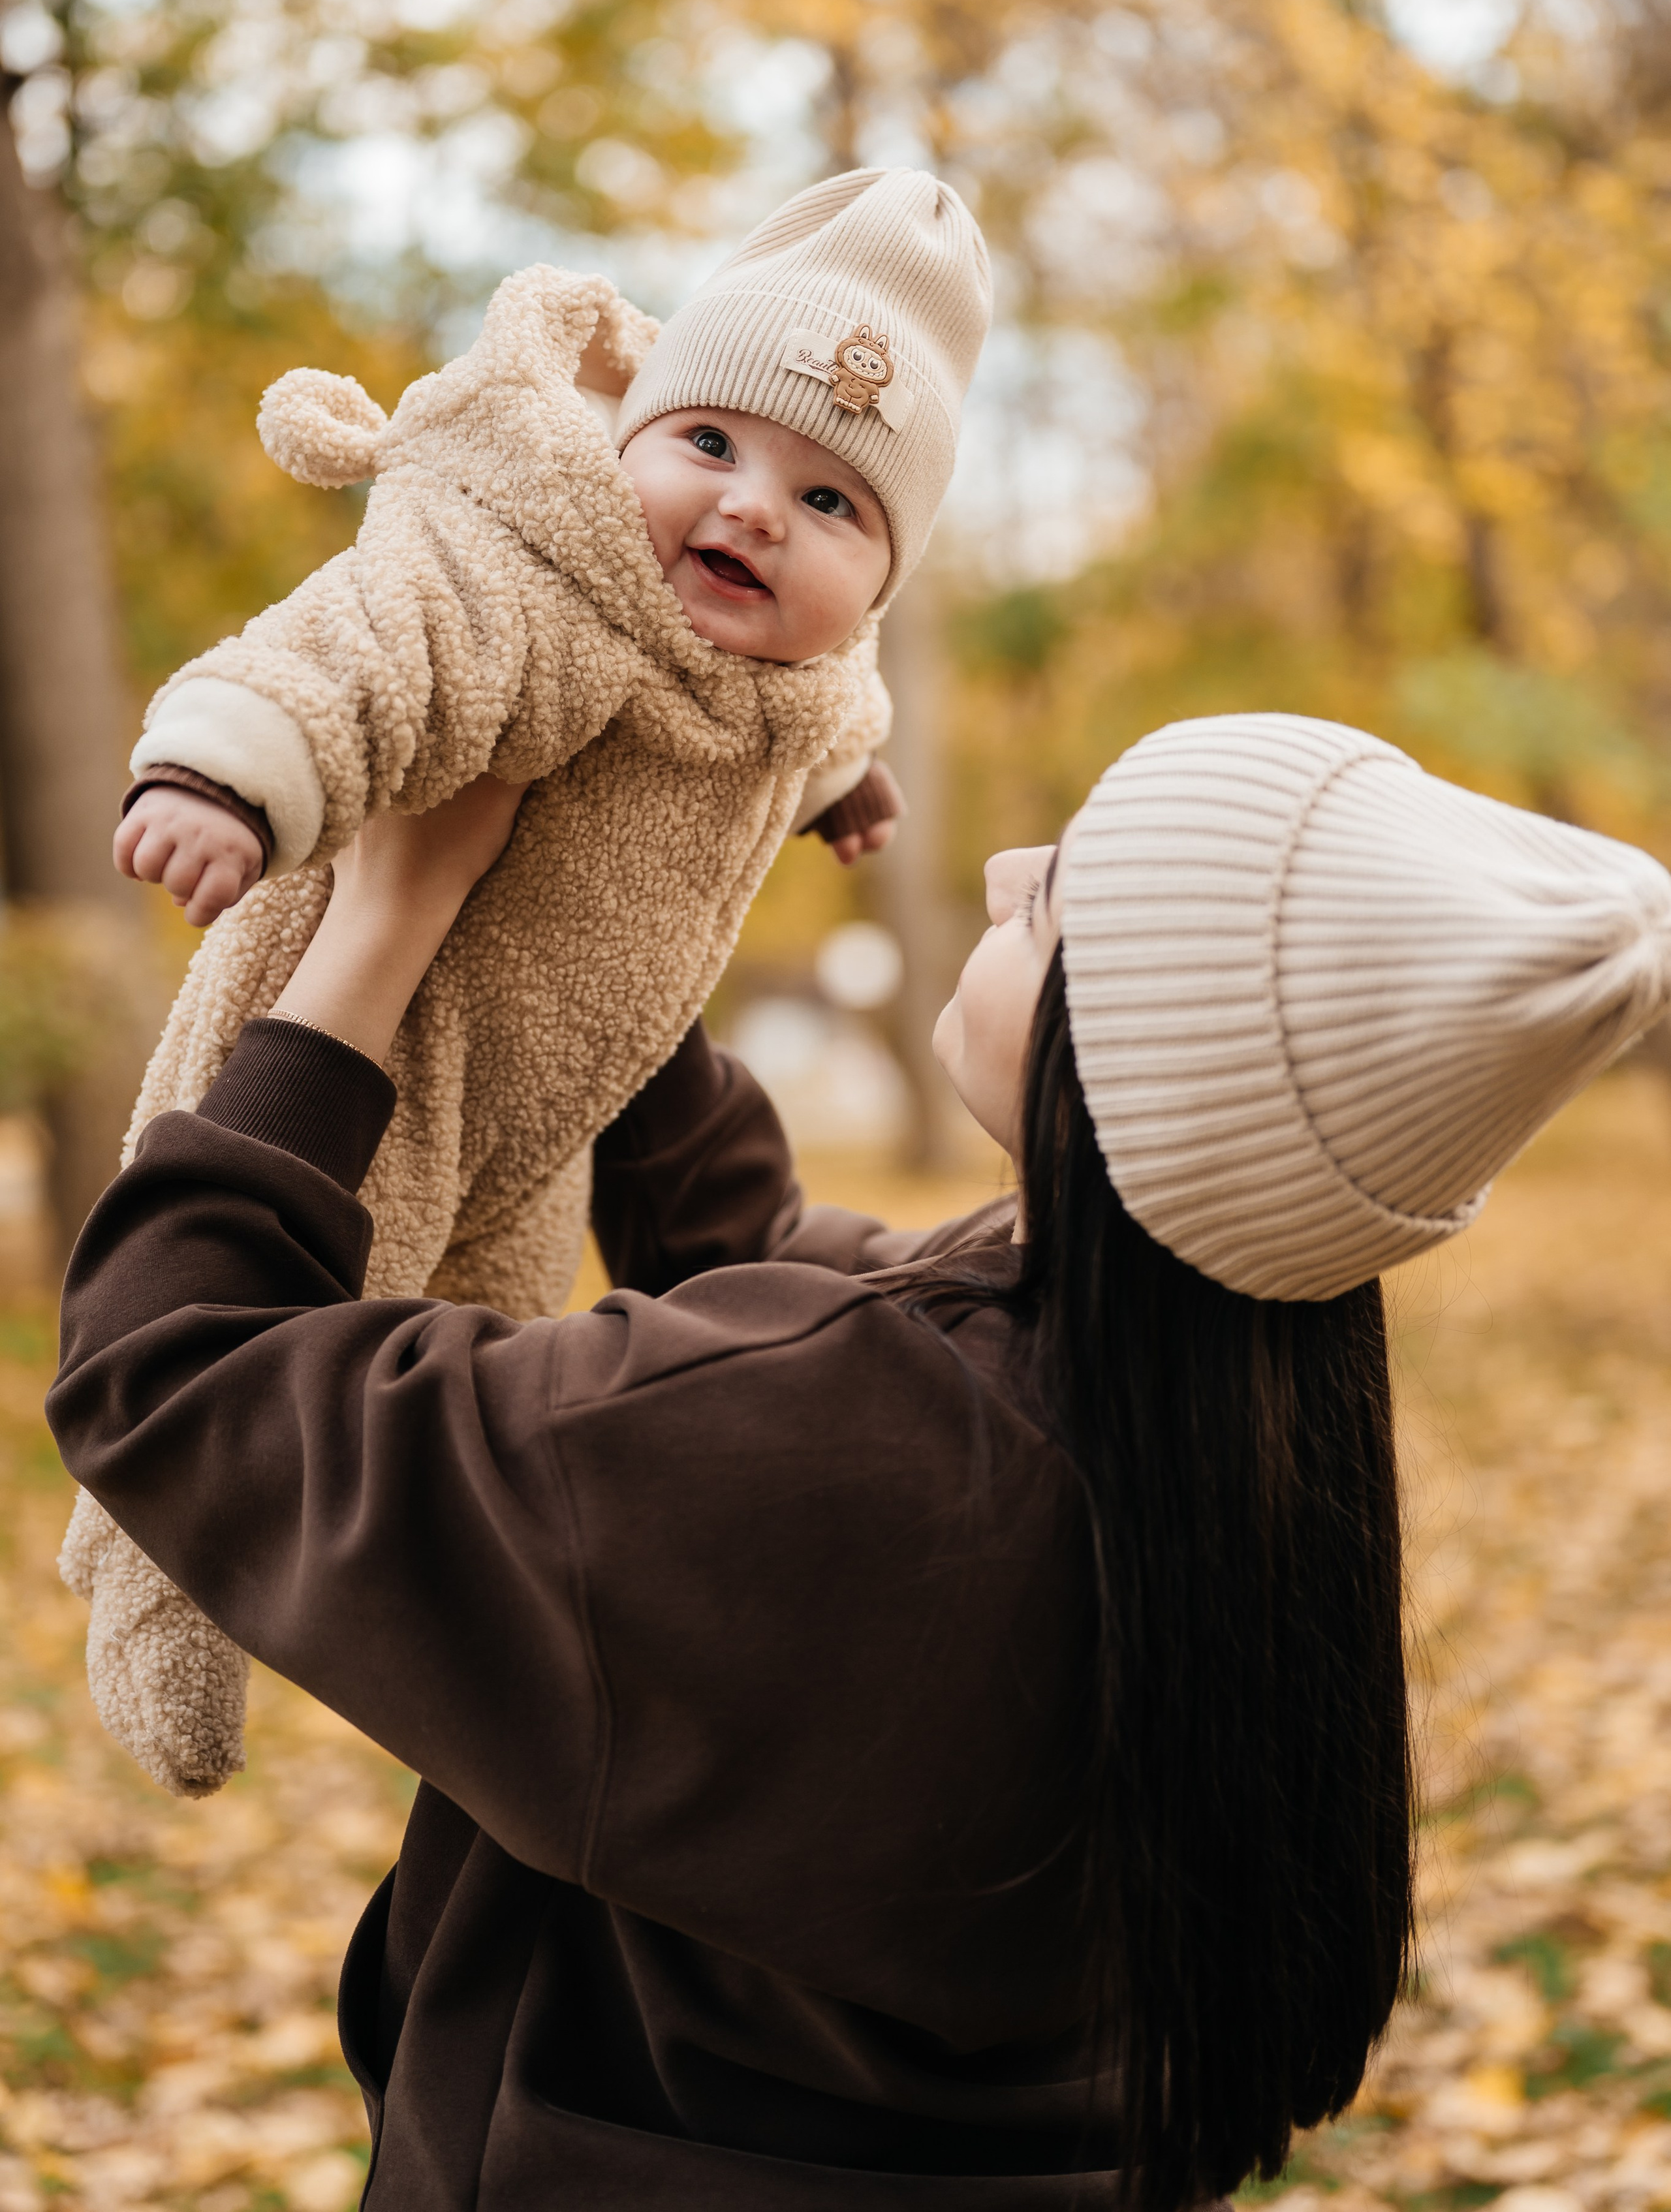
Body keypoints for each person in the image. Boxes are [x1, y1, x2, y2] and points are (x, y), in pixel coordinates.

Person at [50, 711, 1671, 2207]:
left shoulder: (821, 1448)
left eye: (1062, 899)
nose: (1002, 870)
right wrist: (610, 925)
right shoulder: (1226, 1417)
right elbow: (758, 1260)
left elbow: (178, 1369)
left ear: (1136, 1066)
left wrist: (386, 919)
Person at [65, 164, 990, 1806]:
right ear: (628, 436)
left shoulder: (788, 681)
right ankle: (165, 1615)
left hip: (562, 1101)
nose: (755, 509)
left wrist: (851, 786)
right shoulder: (536, 589)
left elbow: (830, 713)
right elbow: (364, 647)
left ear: (878, 575)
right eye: (710, 445)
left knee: (460, 1398)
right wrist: (224, 774)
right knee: (267, 1363)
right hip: (368, 1033)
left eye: (832, 502)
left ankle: (412, 1668)